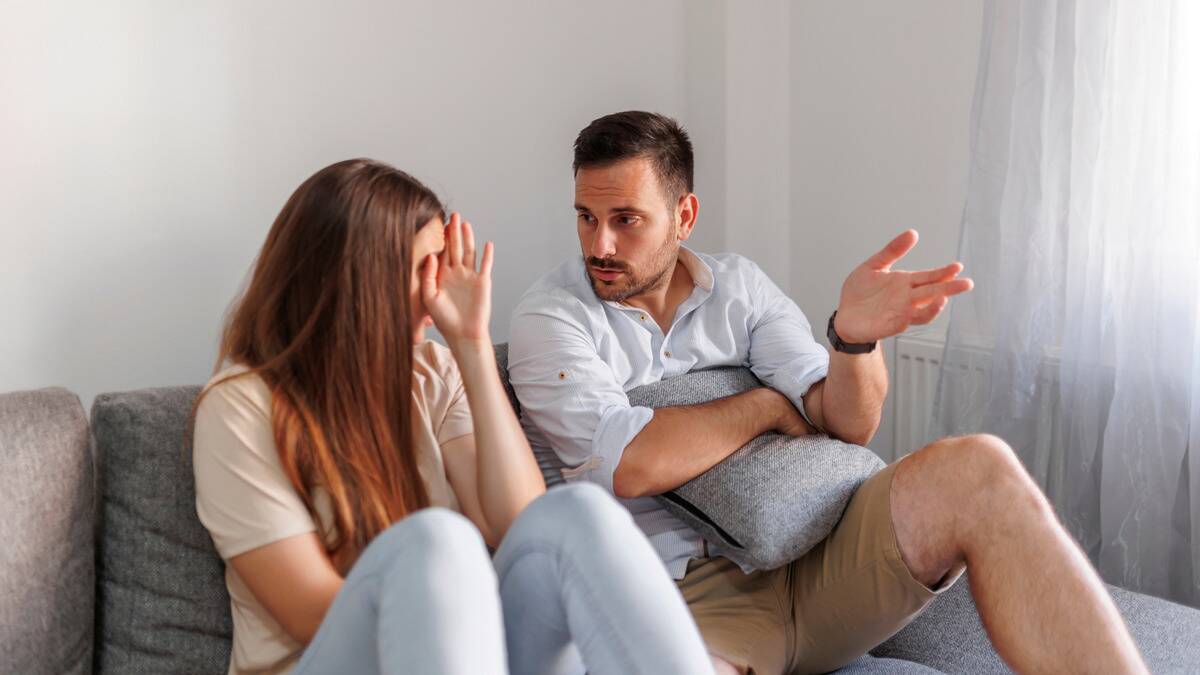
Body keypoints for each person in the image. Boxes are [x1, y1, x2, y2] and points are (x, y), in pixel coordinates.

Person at [507, 111, 1149, 675]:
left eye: (626, 220)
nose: (600, 245)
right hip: (679, 597)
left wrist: (853, 342)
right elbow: (632, 463)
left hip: (817, 560)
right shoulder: (552, 317)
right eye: (586, 218)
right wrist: (765, 405)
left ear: (684, 215)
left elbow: (846, 422)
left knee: (980, 466)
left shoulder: (740, 288)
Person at [190, 159, 715, 675]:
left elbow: (516, 523)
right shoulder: (241, 407)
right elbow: (308, 615)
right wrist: (444, 605)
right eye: (421, 268)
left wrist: (471, 345)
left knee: (575, 512)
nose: (436, 288)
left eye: (439, 265)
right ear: (356, 277)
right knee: (436, 540)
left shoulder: (431, 372)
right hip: (329, 659)